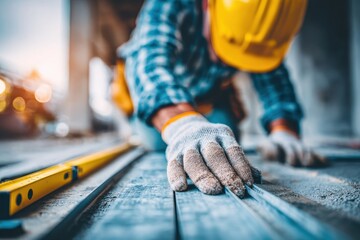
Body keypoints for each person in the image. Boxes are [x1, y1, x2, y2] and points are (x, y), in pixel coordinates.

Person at [116, 0, 323, 197]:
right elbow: (149, 63)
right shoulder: (172, 4)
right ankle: (144, 124)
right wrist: (182, 125)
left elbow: (273, 77)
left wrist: (284, 131)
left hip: (207, 92)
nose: (230, 62)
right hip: (151, 90)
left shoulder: (259, 27)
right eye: (229, 47)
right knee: (160, 142)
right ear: (208, 6)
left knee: (223, 142)